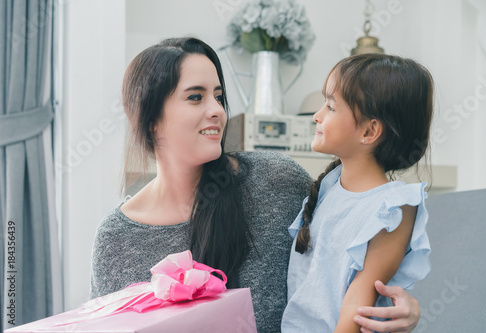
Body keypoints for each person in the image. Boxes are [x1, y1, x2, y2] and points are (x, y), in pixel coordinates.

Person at [90, 37, 422, 333]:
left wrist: (403, 312)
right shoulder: (116, 239)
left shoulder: (277, 181)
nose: (216, 111)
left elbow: (351, 264)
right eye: (195, 97)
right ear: (150, 121)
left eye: (219, 97)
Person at [281, 53, 433, 332]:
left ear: (369, 130)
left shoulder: (394, 207)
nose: (317, 115)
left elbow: (356, 307)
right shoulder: (328, 188)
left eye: (330, 106)